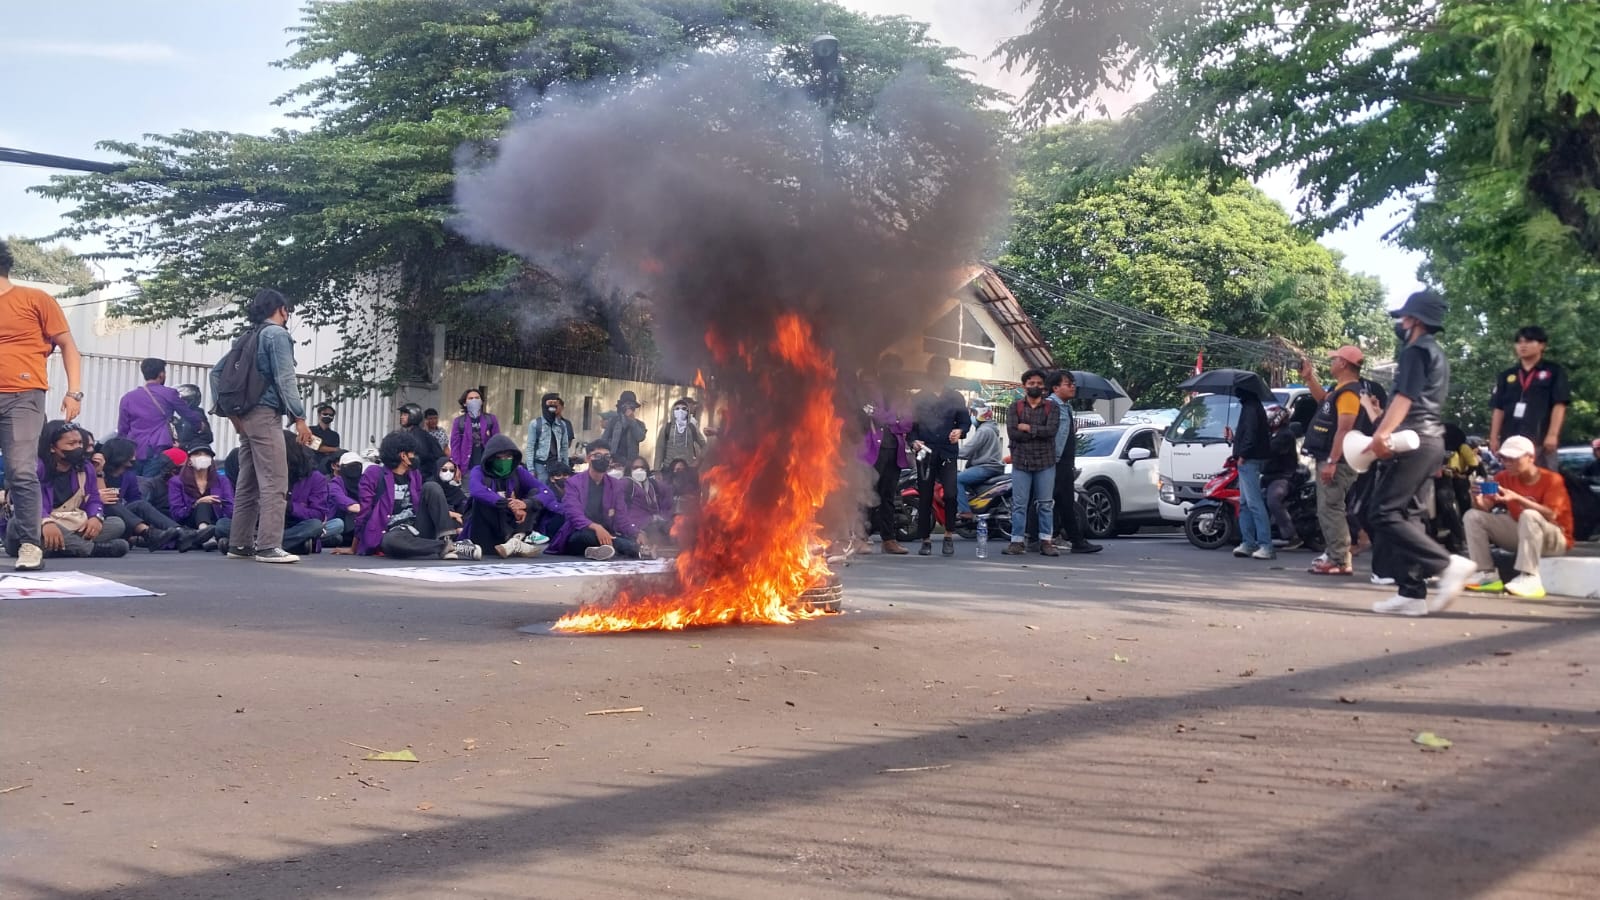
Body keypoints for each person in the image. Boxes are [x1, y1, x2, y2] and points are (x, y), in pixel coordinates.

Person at [1368, 290, 1478, 616]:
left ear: (1414, 320)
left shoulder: (1415, 351)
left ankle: (1447, 564)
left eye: (1403, 317)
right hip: (1431, 442)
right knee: (1411, 515)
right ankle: (1412, 593)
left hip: (1412, 440)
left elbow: (1404, 397)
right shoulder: (1437, 353)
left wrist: (1381, 434)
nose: (1400, 323)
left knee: (1383, 512)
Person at [210, 289, 315, 564]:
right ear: (281, 309)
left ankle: (240, 544)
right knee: (275, 481)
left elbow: (216, 373)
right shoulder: (277, 335)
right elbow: (285, 378)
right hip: (266, 415)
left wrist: (232, 417)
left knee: (247, 483)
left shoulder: (248, 336)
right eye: (287, 310)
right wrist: (300, 418)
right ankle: (268, 545)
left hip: (244, 416)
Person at [1, 238, 85, 571]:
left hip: (24, 395)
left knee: (21, 469)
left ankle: (29, 545)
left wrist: (73, 391)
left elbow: (68, 345)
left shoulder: (35, 299)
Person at [1461, 435, 1574, 599]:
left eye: (1513, 458)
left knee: (1529, 515)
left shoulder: (1552, 480)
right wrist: (1476, 499)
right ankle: (1486, 574)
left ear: (1531, 458)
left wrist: (1517, 499)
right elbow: (1484, 508)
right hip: (1523, 532)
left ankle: (1530, 577)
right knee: (1473, 516)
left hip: (1555, 538)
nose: (1508, 463)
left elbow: (1552, 514)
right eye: (1504, 458)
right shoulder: (1503, 477)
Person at [3, 421, 127, 559]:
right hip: (38, 526)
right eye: (71, 444)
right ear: (52, 447)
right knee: (17, 522)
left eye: (80, 443)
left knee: (117, 524)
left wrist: (95, 518)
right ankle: (90, 549)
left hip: (72, 524)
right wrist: (45, 522)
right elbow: (26, 503)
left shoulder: (86, 467)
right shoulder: (35, 468)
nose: (78, 448)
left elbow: (94, 498)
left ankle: (58, 547)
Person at [1300, 346, 1374, 575]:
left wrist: (1332, 461)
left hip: (1338, 460)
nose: (1330, 363)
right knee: (1328, 507)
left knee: (1331, 507)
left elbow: (1344, 429)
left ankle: (1339, 559)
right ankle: (1337, 556)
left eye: (1334, 360)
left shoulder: (1350, 392)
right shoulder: (1340, 389)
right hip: (1331, 457)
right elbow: (1323, 399)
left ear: (1343, 364)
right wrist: (1309, 378)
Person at [352, 431, 480, 560]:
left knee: (431, 486)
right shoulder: (374, 474)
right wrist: (354, 547)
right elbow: (364, 510)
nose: (415, 456)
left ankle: (448, 540)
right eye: (412, 453)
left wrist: (451, 514)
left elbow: (423, 503)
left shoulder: (414, 474)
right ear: (403, 456)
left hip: (418, 525)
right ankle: (449, 547)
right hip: (392, 531)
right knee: (389, 541)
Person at [91, 437, 200, 552]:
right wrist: (99, 473)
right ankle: (153, 534)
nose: (135, 456)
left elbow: (134, 500)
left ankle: (179, 531)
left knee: (140, 504)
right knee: (111, 501)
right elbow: (104, 499)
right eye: (132, 453)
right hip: (102, 517)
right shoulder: (95, 471)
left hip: (125, 518)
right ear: (121, 454)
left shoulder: (129, 475)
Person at [909, 356, 971, 557]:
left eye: (943, 369)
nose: (939, 373)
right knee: (925, 496)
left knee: (951, 494)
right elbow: (910, 428)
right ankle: (925, 540)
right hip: (925, 452)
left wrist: (960, 432)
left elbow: (965, 423)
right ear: (929, 372)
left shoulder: (956, 397)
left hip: (947, 452)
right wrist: (914, 442)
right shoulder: (918, 398)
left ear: (947, 373)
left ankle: (948, 535)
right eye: (935, 369)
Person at [1488, 326, 1570, 469]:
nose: (1522, 346)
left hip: (1540, 439)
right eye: (1519, 342)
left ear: (1542, 345)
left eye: (1528, 341)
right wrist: (1494, 437)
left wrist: (1552, 435)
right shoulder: (1507, 375)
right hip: (1511, 441)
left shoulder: (1553, 371)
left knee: (1544, 481)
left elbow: (1559, 404)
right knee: (1511, 482)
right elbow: (1498, 408)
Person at [467, 433, 557, 558]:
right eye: (500, 458)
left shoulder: (518, 472)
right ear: (490, 458)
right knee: (482, 500)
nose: (505, 461)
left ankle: (517, 538)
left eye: (508, 457)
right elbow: (476, 490)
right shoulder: (478, 471)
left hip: (513, 524)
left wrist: (525, 504)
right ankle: (514, 542)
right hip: (488, 529)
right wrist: (509, 504)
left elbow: (547, 492)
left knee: (535, 494)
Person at [550, 441, 644, 560]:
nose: (603, 459)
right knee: (586, 536)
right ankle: (634, 550)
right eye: (598, 456)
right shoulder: (574, 483)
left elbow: (622, 517)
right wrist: (596, 527)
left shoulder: (615, 485)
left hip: (607, 533)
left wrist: (637, 533)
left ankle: (594, 551)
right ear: (589, 458)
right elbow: (574, 515)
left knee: (628, 537)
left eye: (607, 456)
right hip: (580, 532)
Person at [1004, 369, 1060, 557]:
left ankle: (1046, 541)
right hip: (1021, 462)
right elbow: (1013, 434)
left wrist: (1028, 428)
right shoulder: (1014, 408)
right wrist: (1038, 432)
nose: (1035, 386)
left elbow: (1051, 431)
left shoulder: (1052, 407)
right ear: (1024, 386)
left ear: (1044, 387)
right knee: (1019, 505)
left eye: (1038, 383)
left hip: (1046, 462)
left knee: (1045, 504)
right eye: (1031, 383)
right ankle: (1016, 542)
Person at [118, 357, 206, 476]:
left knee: (135, 486)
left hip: (134, 450)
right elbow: (188, 414)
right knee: (152, 485)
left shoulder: (128, 397)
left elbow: (122, 429)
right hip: (158, 448)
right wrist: (200, 425)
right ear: (161, 374)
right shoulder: (169, 394)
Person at [861, 355, 913, 554]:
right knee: (866, 494)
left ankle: (888, 540)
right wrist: (894, 419)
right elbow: (868, 411)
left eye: (896, 368)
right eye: (889, 367)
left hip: (895, 452)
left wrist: (886, 418)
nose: (893, 372)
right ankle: (860, 537)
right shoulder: (869, 391)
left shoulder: (903, 395)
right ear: (881, 369)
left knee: (888, 496)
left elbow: (907, 422)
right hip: (872, 451)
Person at [1046, 370, 1101, 554]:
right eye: (1068, 384)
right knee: (1048, 501)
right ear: (1055, 388)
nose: (1073, 387)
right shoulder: (1050, 406)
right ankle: (1041, 537)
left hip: (1065, 461)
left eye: (1073, 383)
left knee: (1064, 502)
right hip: (1055, 461)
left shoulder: (1066, 407)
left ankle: (1074, 540)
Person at [1228, 390, 1275, 560]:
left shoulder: (1250, 408)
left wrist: (1243, 454)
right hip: (1250, 458)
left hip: (1249, 459)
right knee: (1246, 503)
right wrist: (1233, 438)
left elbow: (1250, 433)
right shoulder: (1254, 406)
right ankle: (1248, 543)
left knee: (1253, 503)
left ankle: (1265, 545)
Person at [283, 434, 344, 554]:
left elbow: (318, 515)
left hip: (299, 524)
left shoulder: (316, 478)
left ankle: (272, 544)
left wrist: (290, 507)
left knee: (317, 526)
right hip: (270, 524)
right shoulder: (268, 472)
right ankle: (291, 544)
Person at [168, 443, 233, 546]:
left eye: (206, 455)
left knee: (223, 525)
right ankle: (206, 536)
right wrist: (197, 503)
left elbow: (230, 507)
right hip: (189, 522)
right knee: (203, 504)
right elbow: (177, 513)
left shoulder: (222, 480)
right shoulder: (177, 482)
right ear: (189, 460)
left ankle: (211, 536)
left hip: (217, 521)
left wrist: (220, 505)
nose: (202, 457)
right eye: (197, 454)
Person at [1261, 404, 1302, 550]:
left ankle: (1292, 535)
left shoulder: (1285, 435)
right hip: (1270, 476)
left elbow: (1271, 450)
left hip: (1282, 477)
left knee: (1273, 500)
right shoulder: (1272, 434)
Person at [956, 402, 1003, 522]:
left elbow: (968, 450)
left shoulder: (984, 430)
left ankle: (965, 511)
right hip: (991, 467)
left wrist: (950, 453)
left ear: (981, 414)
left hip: (986, 467)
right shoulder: (990, 428)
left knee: (957, 479)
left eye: (973, 413)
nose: (971, 416)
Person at [621, 455, 674, 549]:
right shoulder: (625, 483)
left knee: (677, 529)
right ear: (630, 469)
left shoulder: (652, 484)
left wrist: (665, 515)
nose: (639, 470)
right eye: (635, 468)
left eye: (642, 467)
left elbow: (668, 492)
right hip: (637, 524)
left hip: (656, 520)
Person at [526, 392, 576, 482]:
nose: (553, 407)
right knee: (543, 490)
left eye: (555, 404)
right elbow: (530, 447)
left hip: (557, 465)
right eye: (550, 404)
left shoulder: (562, 425)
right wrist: (531, 469)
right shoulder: (535, 424)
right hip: (541, 466)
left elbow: (564, 447)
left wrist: (566, 467)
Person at [448, 389, 500, 474]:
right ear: (465, 403)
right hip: (467, 468)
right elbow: (455, 447)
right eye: (470, 398)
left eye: (477, 398)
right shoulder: (459, 422)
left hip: (487, 468)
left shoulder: (491, 419)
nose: (474, 400)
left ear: (481, 401)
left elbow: (497, 443)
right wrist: (456, 466)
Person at [655, 398, 707, 472]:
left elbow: (704, 445)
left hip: (687, 469)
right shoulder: (666, 428)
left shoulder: (691, 427)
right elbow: (659, 450)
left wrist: (698, 462)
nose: (680, 411)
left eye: (684, 408)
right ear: (673, 411)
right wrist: (657, 470)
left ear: (687, 411)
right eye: (677, 408)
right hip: (669, 469)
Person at [396, 402, 444, 478]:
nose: (401, 417)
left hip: (422, 477)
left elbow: (419, 456)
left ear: (413, 416)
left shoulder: (417, 435)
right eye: (401, 414)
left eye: (405, 415)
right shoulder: (411, 433)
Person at [599, 391, 646, 466]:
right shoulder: (613, 421)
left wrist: (632, 422)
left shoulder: (640, 424)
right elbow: (603, 441)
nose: (628, 407)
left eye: (631, 404)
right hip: (613, 461)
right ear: (621, 406)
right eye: (626, 404)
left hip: (630, 462)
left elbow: (640, 437)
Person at [171, 383, 212, 453]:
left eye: (181, 401)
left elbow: (207, 438)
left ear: (189, 401)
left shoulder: (195, 417)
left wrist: (181, 445)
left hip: (193, 455)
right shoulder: (184, 418)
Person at [308, 404, 344, 473]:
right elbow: (315, 446)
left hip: (327, 468)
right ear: (319, 415)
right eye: (325, 414)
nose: (328, 416)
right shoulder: (310, 430)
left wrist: (322, 448)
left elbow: (335, 454)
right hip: (310, 465)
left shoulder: (335, 435)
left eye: (331, 415)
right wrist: (333, 449)